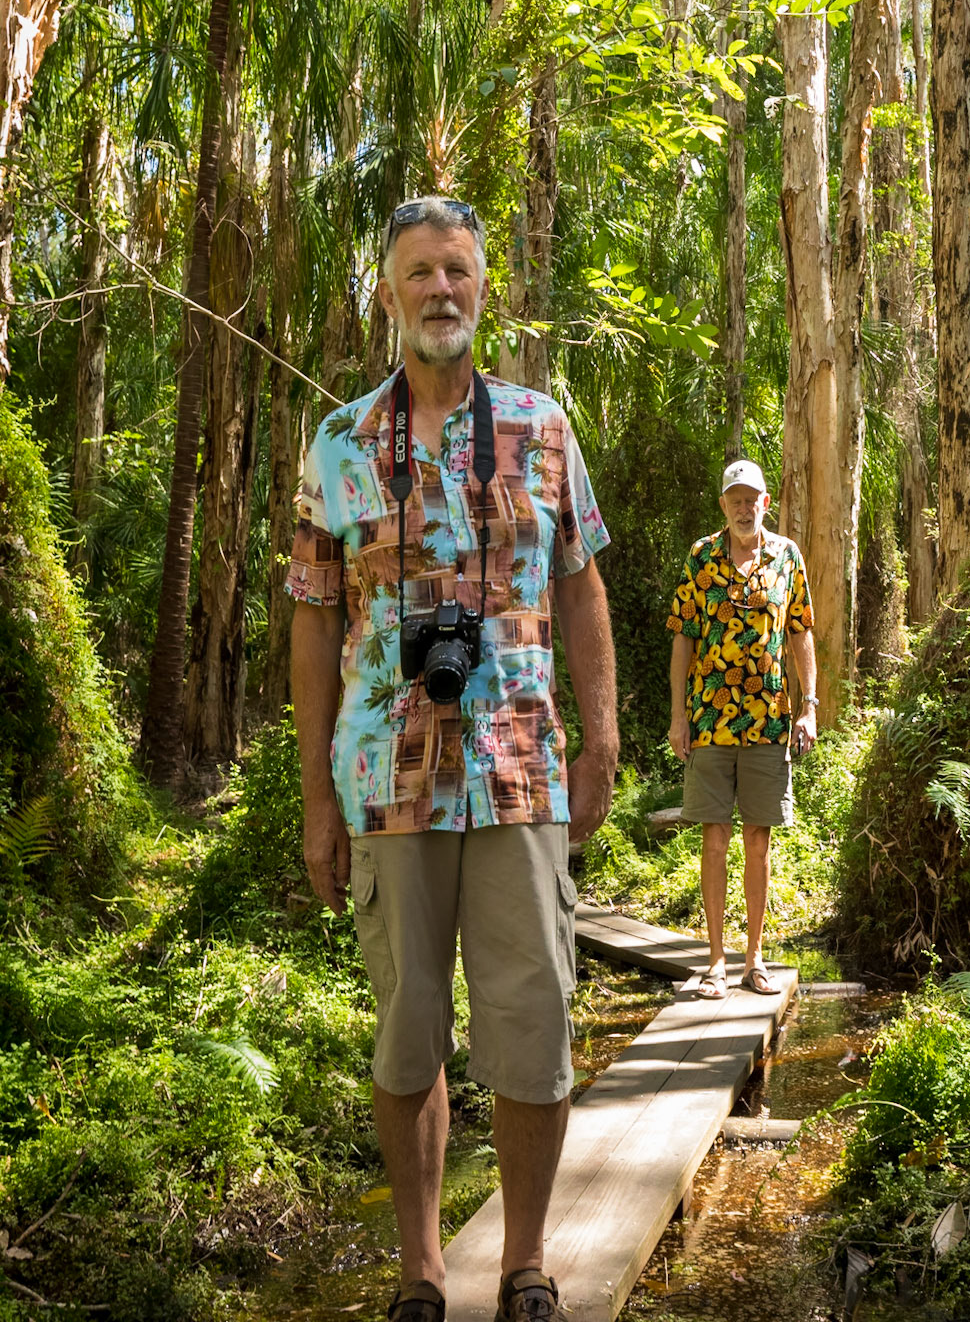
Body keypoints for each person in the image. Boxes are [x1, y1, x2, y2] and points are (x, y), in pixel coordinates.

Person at [288, 196, 618, 1322]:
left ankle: (526, 1262)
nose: (441, 289)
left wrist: (604, 738)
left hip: (519, 769)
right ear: (388, 293)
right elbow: (312, 620)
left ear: (484, 288)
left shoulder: (541, 426)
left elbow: (581, 582)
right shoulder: (340, 441)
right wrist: (315, 801)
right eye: (420, 272)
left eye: (458, 271)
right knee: (407, 1032)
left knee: (533, 1025)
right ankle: (423, 1267)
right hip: (386, 779)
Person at [666, 459, 817, 1000]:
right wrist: (678, 716)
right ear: (723, 505)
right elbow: (683, 637)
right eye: (735, 498)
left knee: (758, 840)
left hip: (769, 721)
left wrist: (809, 706)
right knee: (714, 839)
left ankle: (754, 958)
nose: (743, 507)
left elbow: (800, 632)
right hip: (709, 720)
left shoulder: (787, 556)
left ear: (765, 503)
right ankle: (715, 963)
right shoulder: (701, 557)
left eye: (751, 498)